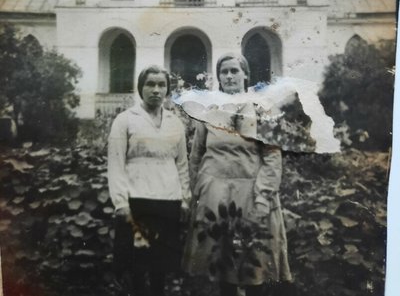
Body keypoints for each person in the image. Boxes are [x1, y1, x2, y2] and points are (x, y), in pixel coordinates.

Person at [183, 53, 292, 296]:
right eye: (224, 72)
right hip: (215, 195)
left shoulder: (262, 108)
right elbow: (196, 154)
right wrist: (197, 191)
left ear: (245, 74)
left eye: (234, 71)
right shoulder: (208, 111)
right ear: (219, 77)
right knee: (222, 265)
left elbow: (273, 156)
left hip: (252, 194)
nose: (229, 76)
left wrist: (264, 195)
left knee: (254, 262)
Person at [107, 65, 191, 296]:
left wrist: (185, 198)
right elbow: (115, 164)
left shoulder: (175, 122)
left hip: (167, 200)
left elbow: (182, 164)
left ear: (167, 89)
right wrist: (121, 202)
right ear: (140, 88)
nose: (156, 90)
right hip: (136, 200)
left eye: (161, 85)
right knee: (137, 265)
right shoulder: (125, 120)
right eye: (150, 84)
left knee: (160, 266)